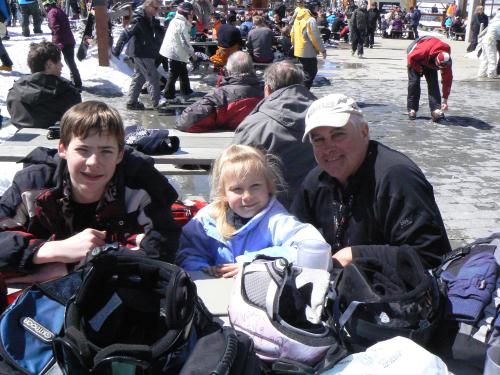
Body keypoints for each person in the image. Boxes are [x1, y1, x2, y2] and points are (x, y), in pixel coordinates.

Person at [0, 101, 180, 284]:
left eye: (106, 152)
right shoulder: (32, 184)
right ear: (63, 149)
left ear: (120, 154)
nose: (94, 162)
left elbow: (162, 248)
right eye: (83, 150)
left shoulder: (140, 184)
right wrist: (52, 250)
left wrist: (70, 267)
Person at [291, 93, 451, 269]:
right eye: (318, 139)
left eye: (338, 135)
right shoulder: (315, 181)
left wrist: (355, 255)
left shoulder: (397, 178)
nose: (328, 148)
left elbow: (431, 257)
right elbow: (294, 237)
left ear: (364, 132)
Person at [176, 144, 326, 277]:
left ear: (269, 186)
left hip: (259, 296)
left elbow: (315, 247)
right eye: (237, 189)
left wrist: (253, 264)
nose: (247, 196)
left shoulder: (276, 221)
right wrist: (203, 270)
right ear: (223, 193)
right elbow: (189, 252)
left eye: (255, 186)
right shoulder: (206, 221)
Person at [233, 60, 317, 208]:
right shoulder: (327, 118)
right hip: (321, 209)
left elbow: (235, 175)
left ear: (268, 89)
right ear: (301, 86)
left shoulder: (253, 126)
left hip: (270, 213)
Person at [176, 52, 263, 132]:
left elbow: (185, 122)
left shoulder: (219, 95)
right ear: (252, 69)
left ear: (228, 70)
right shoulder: (266, 91)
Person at [7, 41, 81, 128]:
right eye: (59, 61)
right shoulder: (69, 93)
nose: (62, 65)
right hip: (57, 140)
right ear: (49, 64)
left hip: (20, 139)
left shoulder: (14, 92)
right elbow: (77, 123)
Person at [113, 0, 164, 109]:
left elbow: (155, 34)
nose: (157, 10)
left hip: (146, 51)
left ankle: (132, 102)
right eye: (155, 8)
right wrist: (117, 49)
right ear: (148, 6)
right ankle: (157, 102)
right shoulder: (138, 18)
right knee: (152, 76)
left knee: (140, 77)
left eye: (158, 8)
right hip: (141, 52)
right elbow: (126, 33)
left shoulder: (150, 18)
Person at [406, 36, 452, 121]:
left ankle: (435, 109)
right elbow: (410, 57)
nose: (441, 69)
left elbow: (447, 80)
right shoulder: (422, 51)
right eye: (439, 67)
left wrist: (445, 100)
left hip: (430, 56)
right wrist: (418, 69)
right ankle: (412, 109)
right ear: (436, 60)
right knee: (414, 82)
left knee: (433, 83)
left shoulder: (447, 61)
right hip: (415, 53)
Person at [159, 2, 197, 102]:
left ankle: (186, 90)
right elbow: (184, 41)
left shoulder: (178, 20)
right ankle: (168, 95)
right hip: (175, 52)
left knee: (183, 71)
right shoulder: (181, 23)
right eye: (191, 13)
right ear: (187, 13)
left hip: (176, 51)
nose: (192, 15)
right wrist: (192, 54)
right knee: (174, 74)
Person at [43, 0, 81, 88]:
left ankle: (55, 82)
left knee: (54, 62)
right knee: (70, 62)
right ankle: (77, 82)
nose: (44, 8)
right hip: (69, 39)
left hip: (61, 41)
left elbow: (56, 28)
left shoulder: (51, 13)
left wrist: (56, 43)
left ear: (47, 6)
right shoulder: (59, 10)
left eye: (45, 6)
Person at [290, 0, 326, 88]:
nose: (318, 9)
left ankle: (301, 92)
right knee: (310, 73)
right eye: (317, 7)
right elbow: (315, 38)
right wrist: (322, 50)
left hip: (299, 50)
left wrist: (294, 45)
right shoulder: (310, 19)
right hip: (308, 51)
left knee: (304, 73)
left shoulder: (298, 17)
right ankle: (303, 94)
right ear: (313, 7)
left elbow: (292, 33)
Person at [477, 10, 500, 79]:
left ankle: (481, 73)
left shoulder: (493, 22)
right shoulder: (498, 23)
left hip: (485, 41)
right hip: (490, 41)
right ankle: (492, 74)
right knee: (492, 58)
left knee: (485, 58)